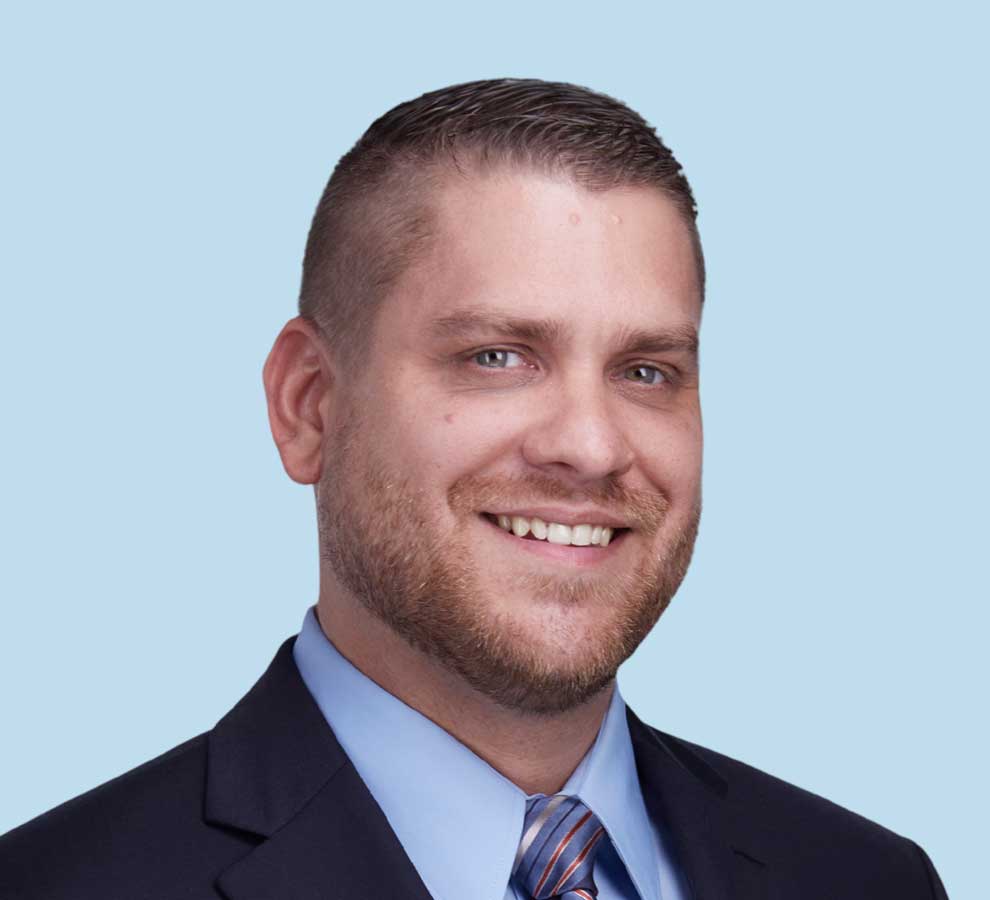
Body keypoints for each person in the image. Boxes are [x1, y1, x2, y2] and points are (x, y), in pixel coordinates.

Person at [0, 78, 947, 900]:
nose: (590, 444)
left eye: (647, 370)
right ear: (309, 407)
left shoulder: (867, 882)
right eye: (499, 357)